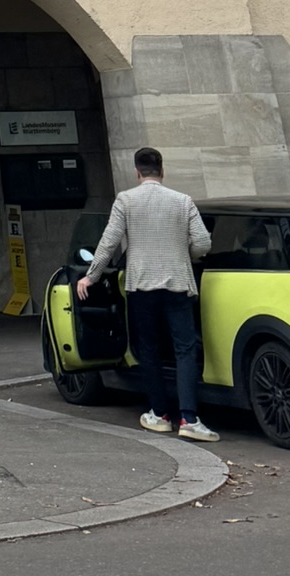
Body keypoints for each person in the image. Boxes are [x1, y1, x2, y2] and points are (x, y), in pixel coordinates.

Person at [77, 147, 215, 440]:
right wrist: (183, 254)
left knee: (148, 348)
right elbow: (203, 243)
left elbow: (109, 242)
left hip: (141, 286)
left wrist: (91, 277)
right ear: (162, 171)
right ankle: (189, 419)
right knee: (185, 349)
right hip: (178, 283)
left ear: (137, 172)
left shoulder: (125, 200)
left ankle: (159, 414)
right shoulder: (183, 201)